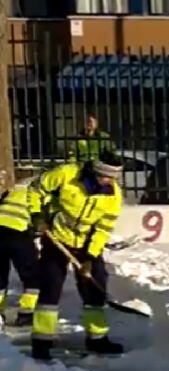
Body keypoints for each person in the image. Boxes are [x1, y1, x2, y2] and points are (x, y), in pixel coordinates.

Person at [30, 151, 126, 360]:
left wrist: (90, 257)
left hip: (86, 243)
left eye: (113, 178)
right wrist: (37, 215)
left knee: (95, 285)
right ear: (95, 171)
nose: (108, 181)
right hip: (56, 237)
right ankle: (41, 341)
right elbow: (36, 189)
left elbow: (103, 229)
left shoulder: (113, 195)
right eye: (105, 176)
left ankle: (97, 339)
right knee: (51, 286)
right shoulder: (67, 174)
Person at [0, 180, 42, 327]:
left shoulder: (16, 188)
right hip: (18, 233)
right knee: (32, 276)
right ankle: (26, 314)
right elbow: (37, 213)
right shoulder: (40, 192)